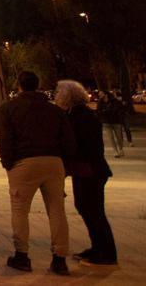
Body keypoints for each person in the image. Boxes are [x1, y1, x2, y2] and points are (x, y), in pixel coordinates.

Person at [0, 72, 75, 275]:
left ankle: (22, 256)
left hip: (24, 163)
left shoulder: (9, 108)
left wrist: (9, 165)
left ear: (19, 86)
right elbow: (68, 140)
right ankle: (60, 259)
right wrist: (64, 166)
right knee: (57, 210)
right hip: (53, 162)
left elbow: (5, 141)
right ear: (38, 85)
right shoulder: (55, 111)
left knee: (20, 211)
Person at [55, 80, 117, 266]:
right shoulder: (76, 114)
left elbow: (82, 144)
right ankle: (98, 247)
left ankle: (106, 253)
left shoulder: (83, 116)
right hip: (84, 170)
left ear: (68, 96)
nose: (56, 96)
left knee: (94, 211)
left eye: (59, 92)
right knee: (86, 208)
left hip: (90, 170)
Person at [96, 92, 125, 158]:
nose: (99, 95)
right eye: (99, 94)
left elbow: (116, 110)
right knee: (111, 138)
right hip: (106, 122)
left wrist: (105, 111)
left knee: (119, 137)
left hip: (116, 121)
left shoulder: (114, 101)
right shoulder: (100, 102)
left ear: (105, 94)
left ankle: (121, 149)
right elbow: (98, 111)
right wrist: (103, 113)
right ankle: (115, 151)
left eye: (101, 94)